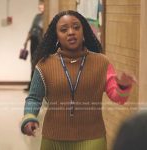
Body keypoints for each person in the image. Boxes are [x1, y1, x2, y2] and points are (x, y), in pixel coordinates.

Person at [21, 10, 136, 150]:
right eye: (64, 30)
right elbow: (34, 98)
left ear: (84, 31)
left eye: (76, 27)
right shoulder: (44, 65)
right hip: (54, 139)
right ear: (56, 35)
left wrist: (123, 87)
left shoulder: (102, 62)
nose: (71, 32)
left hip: (92, 139)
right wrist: (29, 117)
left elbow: (117, 97)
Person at [24, 0, 45, 91]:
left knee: (39, 62)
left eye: (41, 4)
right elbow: (31, 29)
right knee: (33, 62)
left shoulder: (47, 16)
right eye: (39, 4)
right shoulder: (37, 16)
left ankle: (38, 86)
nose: (39, 6)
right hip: (34, 40)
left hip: (40, 41)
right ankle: (31, 85)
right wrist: (26, 41)